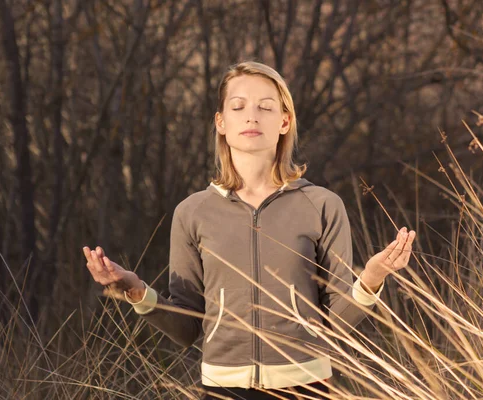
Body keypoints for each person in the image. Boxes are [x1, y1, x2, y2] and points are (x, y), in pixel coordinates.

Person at [83, 61, 416, 399]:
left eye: (266, 107)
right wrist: (136, 290)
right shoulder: (193, 212)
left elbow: (336, 324)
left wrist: (372, 278)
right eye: (238, 106)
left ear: (284, 121)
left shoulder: (322, 205)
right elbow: (186, 328)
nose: (252, 116)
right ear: (221, 122)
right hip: (223, 388)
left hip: (308, 387)